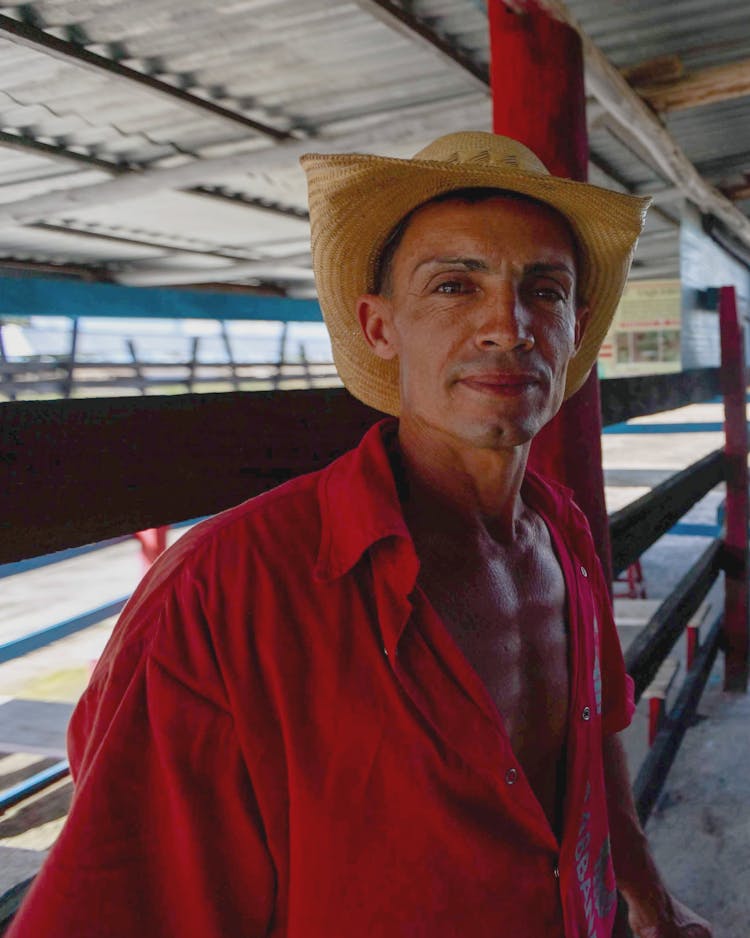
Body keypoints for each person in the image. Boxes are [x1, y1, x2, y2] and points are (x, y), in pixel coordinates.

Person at [7, 132, 712, 938]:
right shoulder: (225, 593)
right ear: (380, 327)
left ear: (576, 330)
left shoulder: (564, 533)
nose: (507, 326)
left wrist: (650, 897)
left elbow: (596, 729)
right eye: (454, 286)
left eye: (544, 292)